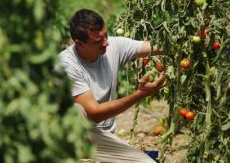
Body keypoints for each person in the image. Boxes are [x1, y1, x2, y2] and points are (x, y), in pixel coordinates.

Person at [59, 9, 167, 162]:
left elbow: (154, 47)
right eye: (98, 41)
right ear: (79, 43)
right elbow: (94, 113)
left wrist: (191, 38)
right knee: (77, 111)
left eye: (106, 35)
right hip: (71, 140)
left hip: (101, 140)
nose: (106, 43)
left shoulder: (113, 46)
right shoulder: (66, 64)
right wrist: (140, 94)